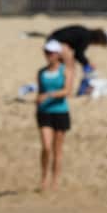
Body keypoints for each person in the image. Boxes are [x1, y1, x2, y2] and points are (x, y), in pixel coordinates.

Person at [34, 40, 74, 193]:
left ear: (57, 55)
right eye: (46, 52)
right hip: (44, 112)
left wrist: (49, 95)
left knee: (57, 150)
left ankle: (55, 180)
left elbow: (67, 90)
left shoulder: (65, 70)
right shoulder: (41, 72)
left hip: (60, 111)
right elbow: (39, 91)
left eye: (51, 53)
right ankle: (43, 178)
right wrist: (38, 100)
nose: (48, 55)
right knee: (46, 147)